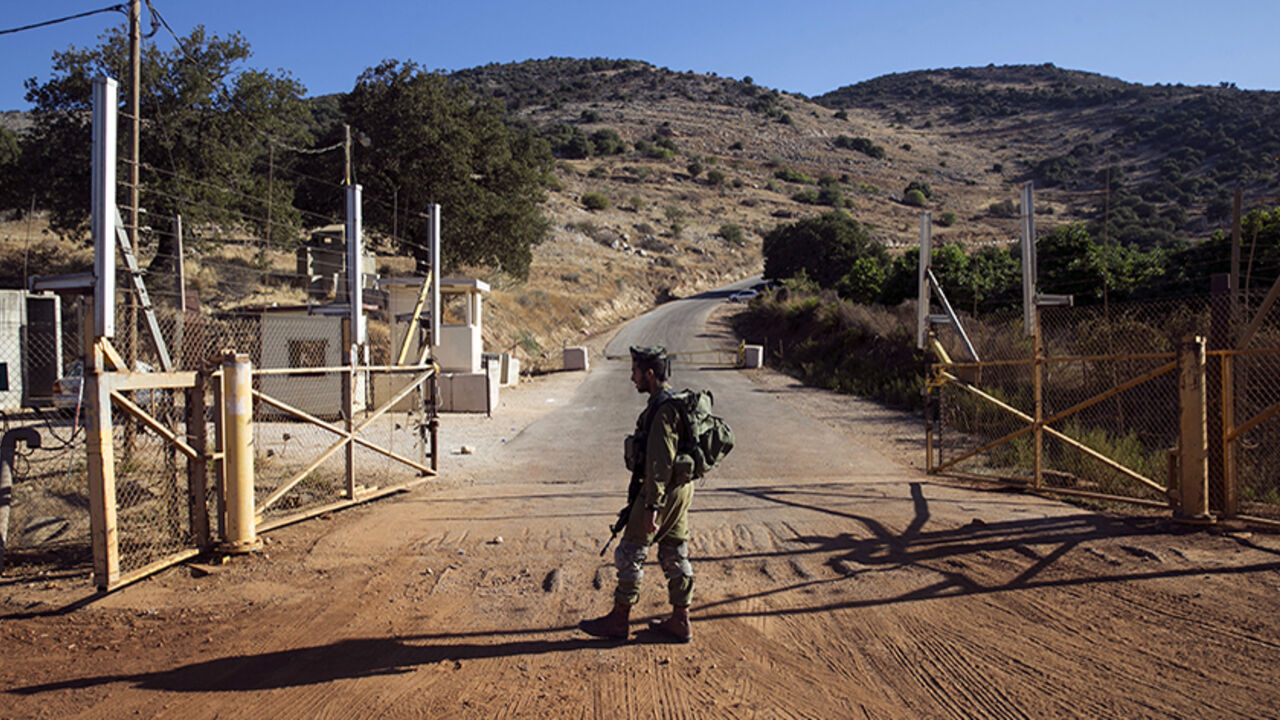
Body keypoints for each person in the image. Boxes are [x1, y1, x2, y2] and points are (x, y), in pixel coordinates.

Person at [580, 345, 695, 642]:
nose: (632, 378)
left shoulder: (662, 411)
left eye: (635, 372)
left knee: (630, 552)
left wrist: (651, 507)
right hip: (681, 490)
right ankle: (681, 620)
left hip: (663, 490)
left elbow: (660, 462)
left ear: (650, 374)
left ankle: (619, 620)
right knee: (674, 549)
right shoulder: (673, 403)